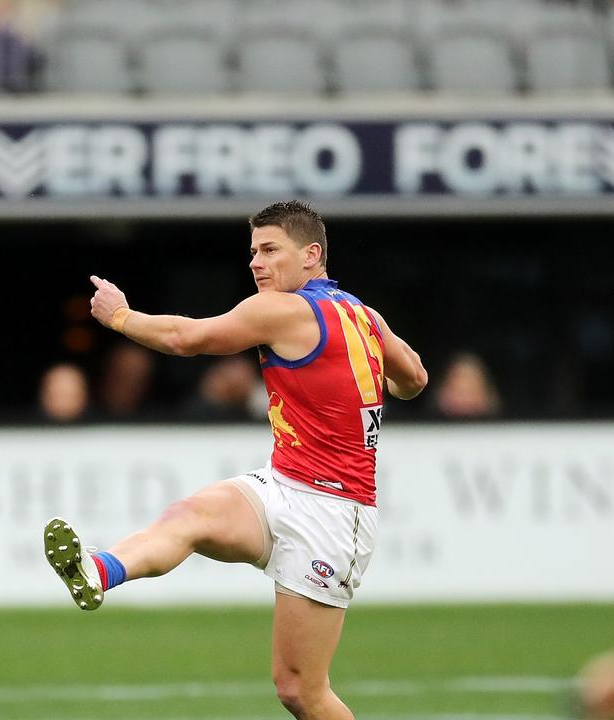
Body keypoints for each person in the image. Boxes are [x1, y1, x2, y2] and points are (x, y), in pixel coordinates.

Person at [43, 201, 428, 720]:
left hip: (334, 513)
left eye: (271, 250)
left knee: (300, 692)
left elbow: (186, 339)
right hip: (282, 485)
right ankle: (100, 570)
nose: (256, 263)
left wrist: (119, 316)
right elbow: (415, 380)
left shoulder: (282, 309)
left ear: (312, 255)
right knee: (190, 516)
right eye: (253, 252)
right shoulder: (366, 317)